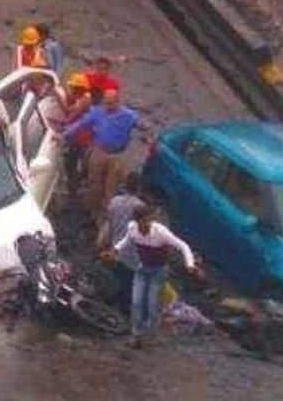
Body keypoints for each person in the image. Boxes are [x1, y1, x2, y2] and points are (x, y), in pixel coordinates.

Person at [108, 204, 201, 348]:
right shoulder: (132, 229)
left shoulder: (161, 232)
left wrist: (190, 264)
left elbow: (183, 246)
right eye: (142, 221)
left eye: (147, 220)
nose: (145, 224)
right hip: (142, 269)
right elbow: (126, 240)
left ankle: (151, 334)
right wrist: (116, 249)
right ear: (137, 221)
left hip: (159, 271)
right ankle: (136, 335)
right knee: (137, 302)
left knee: (152, 304)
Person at [65, 89, 139, 214]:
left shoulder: (129, 116)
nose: (108, 107)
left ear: (118, 102)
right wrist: (64, 134)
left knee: (112, 185)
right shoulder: (97, 112)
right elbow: (81, 124)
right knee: (94, 182)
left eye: (111, 104)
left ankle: (107, 213)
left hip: (116, 155)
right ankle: (91, 210)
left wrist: (148, 133)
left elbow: (141, 125)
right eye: (106, 103)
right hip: (99, 151)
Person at [96, 172, 148, 312]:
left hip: (115, 251)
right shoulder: (141, 207)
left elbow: (108, 225)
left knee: (112, 284)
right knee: (127, 291)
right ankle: (121, 317)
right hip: (132, 257)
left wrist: (102, 244)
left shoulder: (115, 201)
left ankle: (106, 309)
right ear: (139, 188)